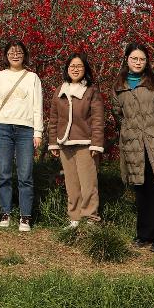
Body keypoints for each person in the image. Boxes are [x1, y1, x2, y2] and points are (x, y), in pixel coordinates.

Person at [110, 42, 154, 253]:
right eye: (134, 58)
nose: (138, 62)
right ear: (127, 60)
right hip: (134, 145)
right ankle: (145, 234)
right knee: (142, 190)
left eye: (142, 59)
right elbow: (118, 115)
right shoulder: (119, 86)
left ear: (147, 61)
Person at [0, 40, 43, 233]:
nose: (15, 55)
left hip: (26, 129)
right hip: (3, 128)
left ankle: (25, 216)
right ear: (6, 55)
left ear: (24, 55)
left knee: (25, 175)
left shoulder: (33, 77)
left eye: (19, 52)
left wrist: (38, 132)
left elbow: (37, 106)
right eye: (11, 52)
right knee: (4, 173)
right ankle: (5, 212)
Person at [47, 52, 105, 228]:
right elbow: (54, 118)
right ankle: (75, 218)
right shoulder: (60, 90)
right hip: (65, 143)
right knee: (71, 183)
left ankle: (90, 218)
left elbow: (98, 120)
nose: (75, 69)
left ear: (85, 69)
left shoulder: (91, 91)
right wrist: (53, 142)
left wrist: (96, 144)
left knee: (88, 184)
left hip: (86, 144)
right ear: (67, 69)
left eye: (79, 66)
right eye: (72, 66)